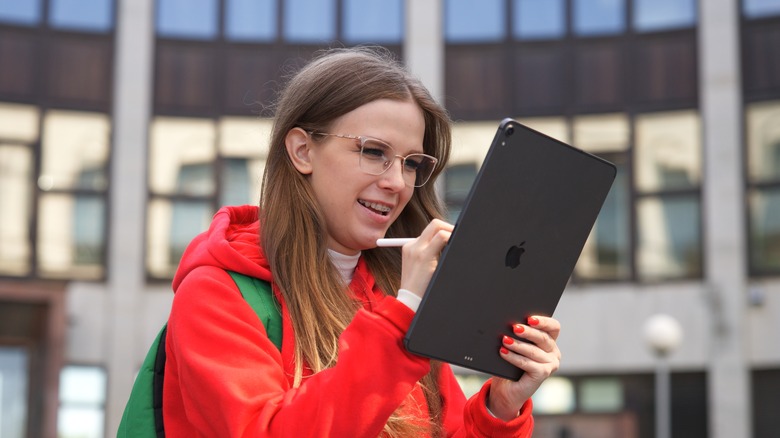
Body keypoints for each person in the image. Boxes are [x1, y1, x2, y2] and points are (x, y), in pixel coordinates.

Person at [163, 46, 561, 437]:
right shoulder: (217, 291)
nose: (397, 182)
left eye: (411, 163)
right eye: (374, 152)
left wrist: (500, 408)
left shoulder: (394, 293)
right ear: (302, 150)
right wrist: (404, 316)